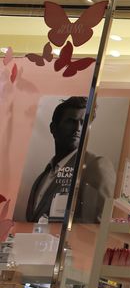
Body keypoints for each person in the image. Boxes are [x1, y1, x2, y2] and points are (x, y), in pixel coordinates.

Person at [26, 96, 114, 224]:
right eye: (71, 121)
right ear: (53, 128)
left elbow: (96, 224)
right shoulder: (41, 178)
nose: (78, 128)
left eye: (83, 123)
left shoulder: (96, 165)